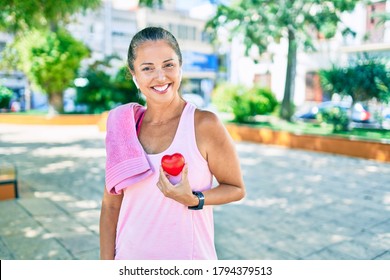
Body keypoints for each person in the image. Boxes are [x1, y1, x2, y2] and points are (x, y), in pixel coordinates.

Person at [99, 26, 245, 260]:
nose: (160, 77)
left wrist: (194, 199)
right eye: (147, 68)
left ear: (180, 66)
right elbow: (111, 206)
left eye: (169, 65)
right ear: (134, 75)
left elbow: (236, 189)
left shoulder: (204, 124)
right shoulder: (123, 128)